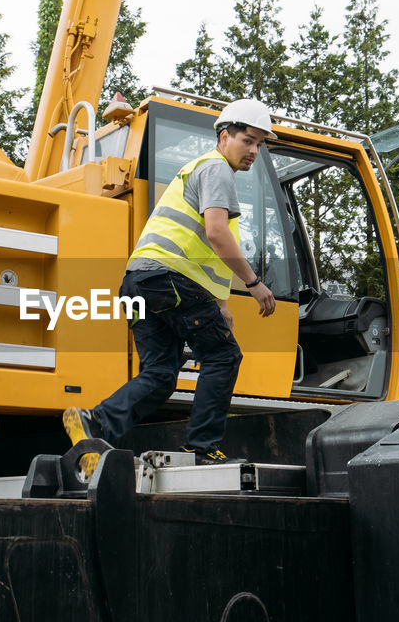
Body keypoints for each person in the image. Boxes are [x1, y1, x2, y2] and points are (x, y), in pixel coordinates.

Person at [63, 98, 278, 463]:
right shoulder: (217, 170)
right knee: (223, 356)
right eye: (248, 141)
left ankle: (95, 423)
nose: (254, 151)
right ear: (225, 136)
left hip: (140, 281)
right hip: (169, 280)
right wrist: (254, 284)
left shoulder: (196, 170)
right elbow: (216, 234)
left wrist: (221, 304)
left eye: (259, 144)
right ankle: (201, 446)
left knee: (161, 374)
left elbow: (202, 250)